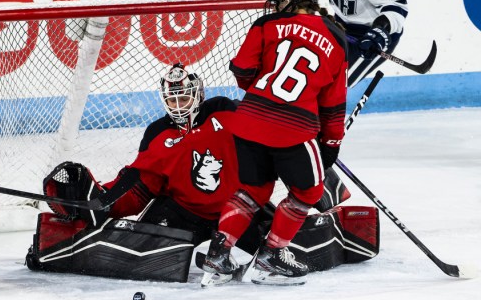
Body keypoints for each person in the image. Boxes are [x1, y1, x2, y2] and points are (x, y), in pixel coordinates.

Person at [27, 60, 376, 285]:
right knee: (137, 254)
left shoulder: (225, 111)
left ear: (198, 93)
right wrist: (101, 201)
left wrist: (315, 168)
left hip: (240, 209)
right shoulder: (158, 134)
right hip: (183, 212)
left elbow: (273, 142)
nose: (179, 104)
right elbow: (140, 183)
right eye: (173, 99)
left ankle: (340, 228)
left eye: (184, 96)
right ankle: (59, 244)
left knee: (294, 246)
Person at [202, 0, 349, 286]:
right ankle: (271, 257)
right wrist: (332, 142)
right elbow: (333, 104)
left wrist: (261, 89)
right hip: (294, 129)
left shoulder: (264, 26)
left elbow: (242, 70)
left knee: (252, 190)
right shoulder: (335, 37)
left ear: (296, 0)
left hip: (249, 121)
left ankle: (218, 255)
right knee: (308, 191)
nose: (273, 6)